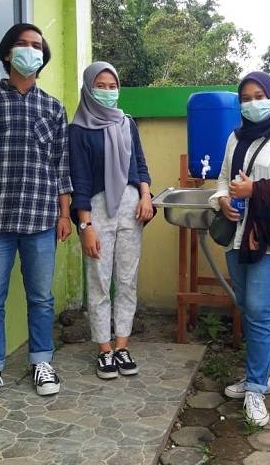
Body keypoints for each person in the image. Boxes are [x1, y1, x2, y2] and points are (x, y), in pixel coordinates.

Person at [0, 23, 72, 406]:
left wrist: (64, 213)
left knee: (41, 298)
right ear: (8, 53)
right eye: (22, 44)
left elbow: (61, 166)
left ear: (43, 56)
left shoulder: (53, 107)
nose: (30, 50)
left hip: (41, 219)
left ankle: (42, 362)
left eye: (37, 45)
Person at [210, 71, 270, 426]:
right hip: (238, 237)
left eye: (259, 96)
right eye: (246, 98)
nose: (252, 103)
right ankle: (262, 375)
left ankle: (255, 388)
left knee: (259, 309)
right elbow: (223, 179)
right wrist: (223, 200)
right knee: (249, 310)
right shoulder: (235, 138)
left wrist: (256, 190)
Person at [69, 62, 152, 379]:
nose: (107, 91)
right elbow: (79, 180)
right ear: (88, 88)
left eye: (112, 85)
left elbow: (140, 164)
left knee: (127, 281)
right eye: (100, 86)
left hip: (131, 206)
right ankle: (104, 350)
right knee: (99, 281)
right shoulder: (78, 129)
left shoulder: (127, 123)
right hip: (97, 208)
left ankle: (122, 346)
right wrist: (85, 226)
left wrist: (146, 195)